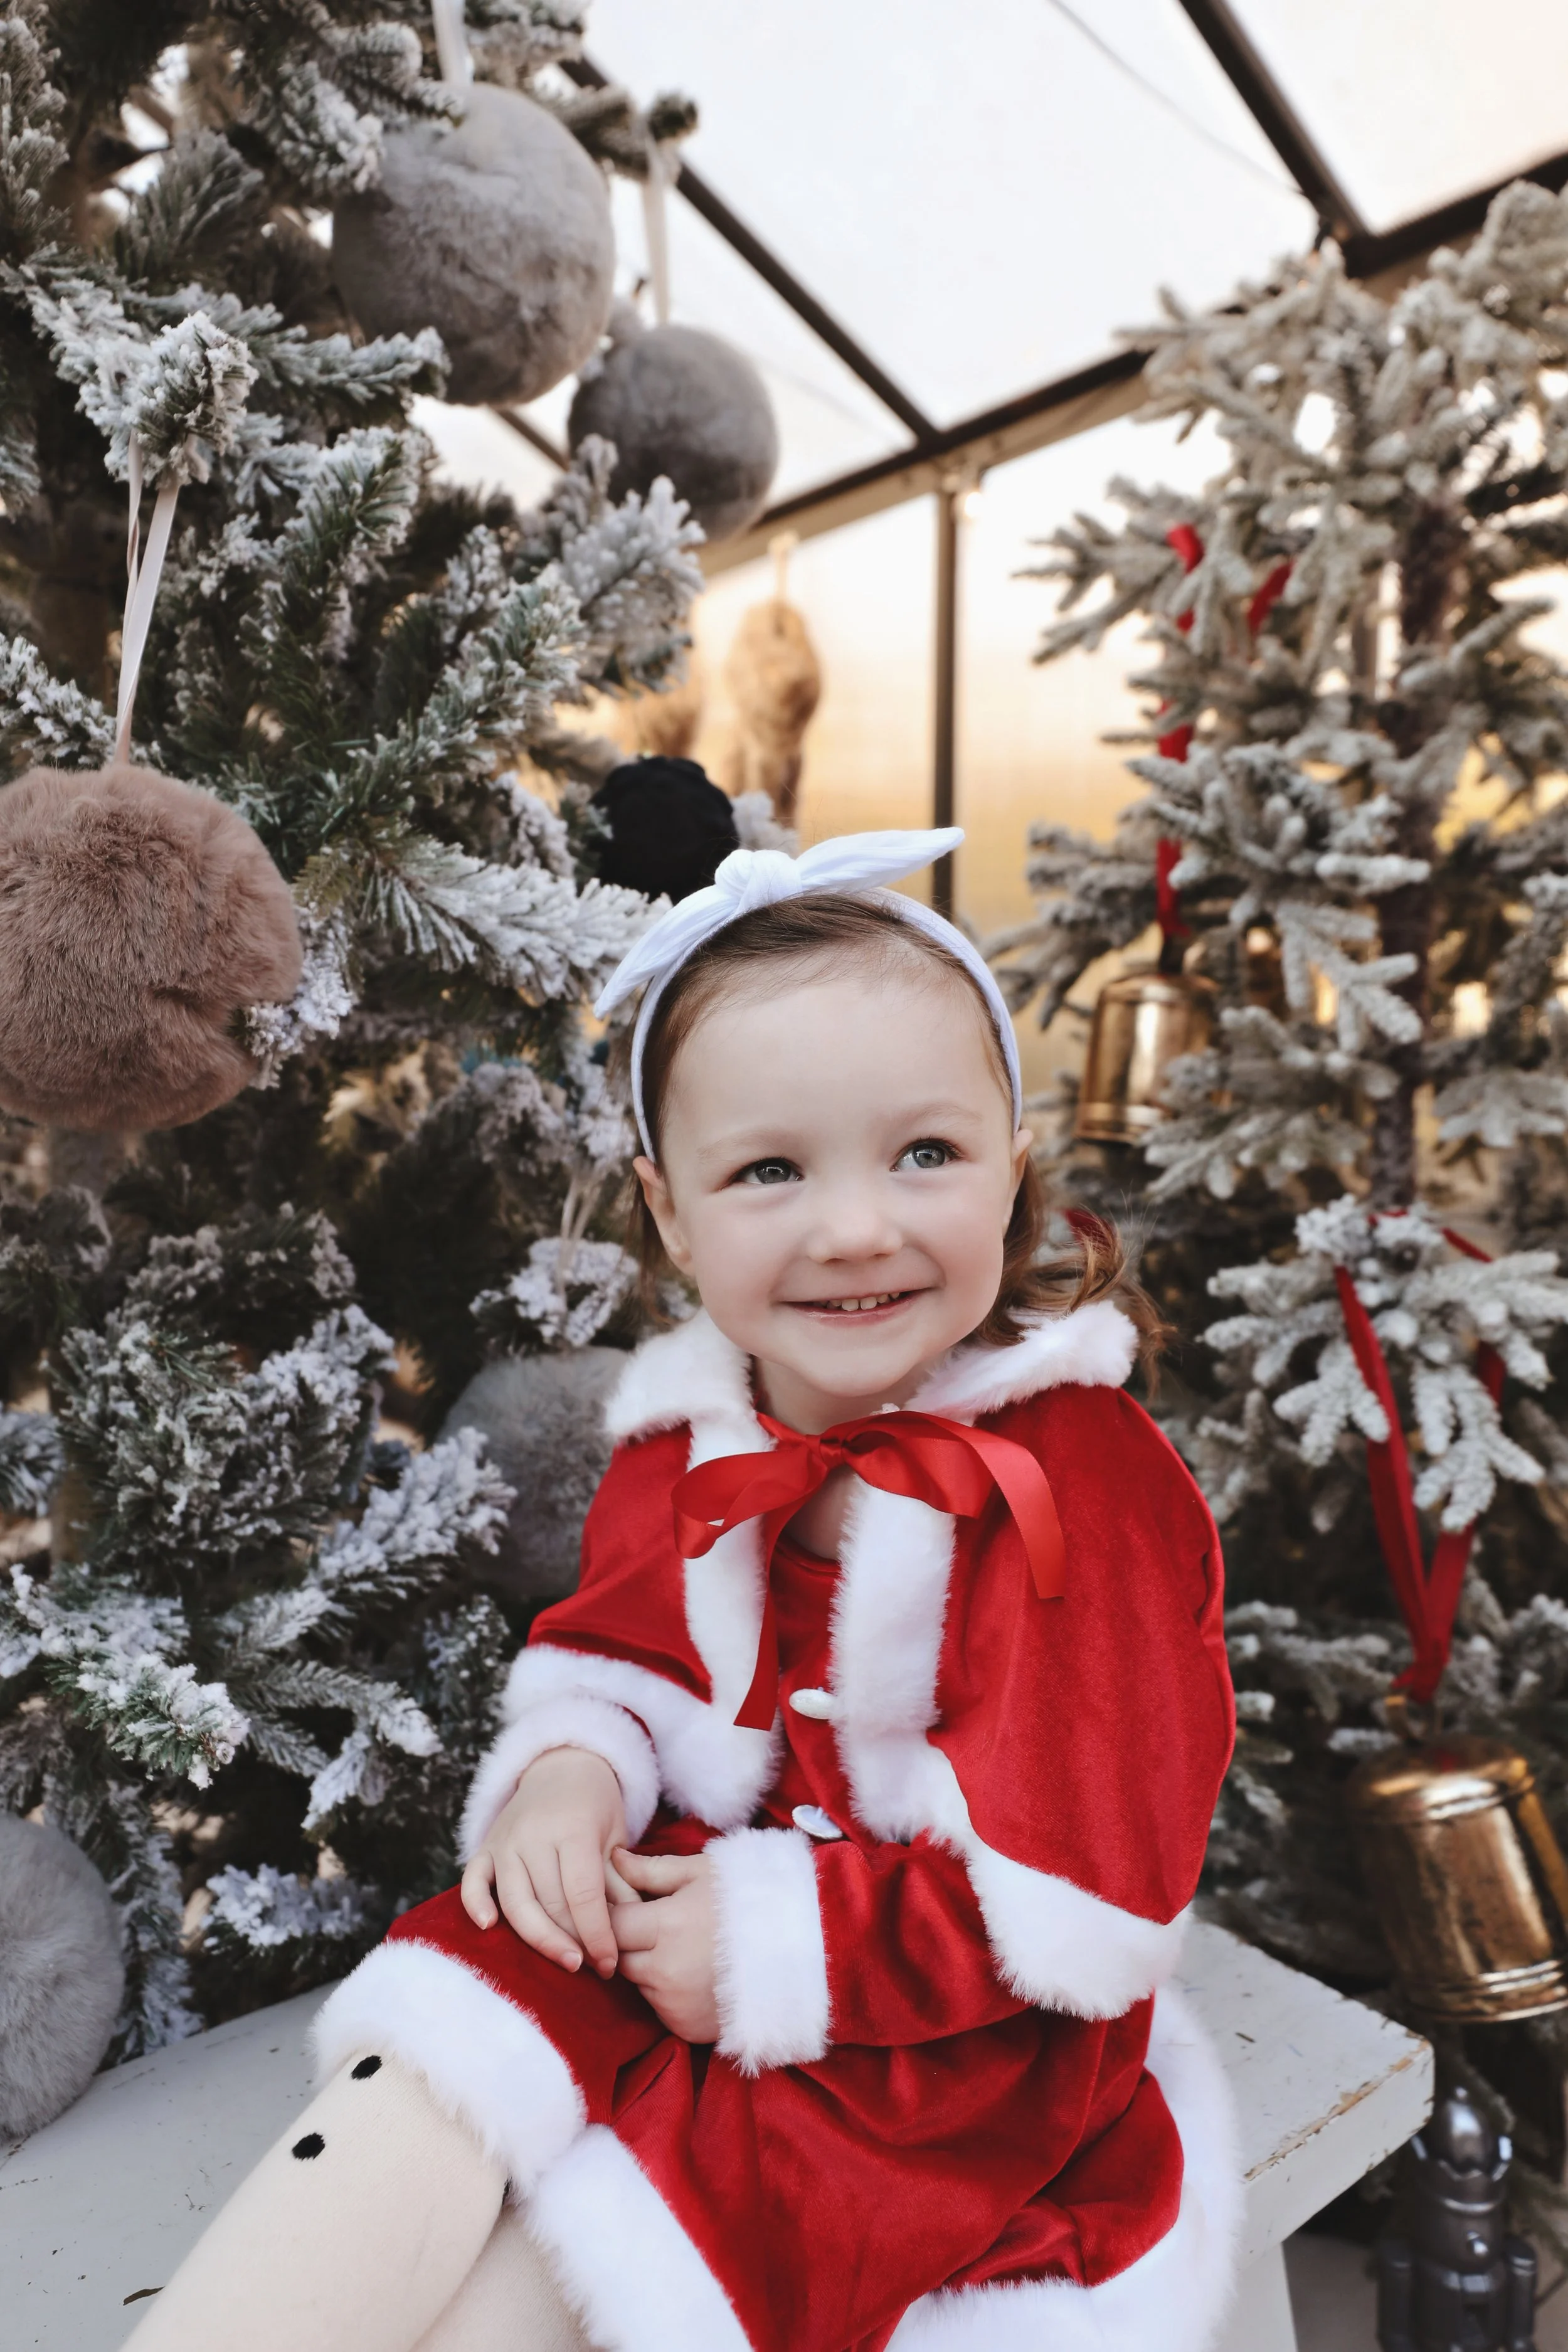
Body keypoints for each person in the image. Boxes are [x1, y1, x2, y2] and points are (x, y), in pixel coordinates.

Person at [129, 828, 1238, 2352]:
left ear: (1010, 1161)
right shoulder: (695, 1425)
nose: (855, 1226)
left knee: (625, 2253)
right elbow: (619, 1651)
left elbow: (1087, 1896)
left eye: (924, 1152)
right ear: (668, 1209)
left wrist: (784, 1942)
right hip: (688, 1896)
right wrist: (572, 1772)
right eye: (769, 1171)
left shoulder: (1075, 1486)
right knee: (467, 2014)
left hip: (943, 2022)